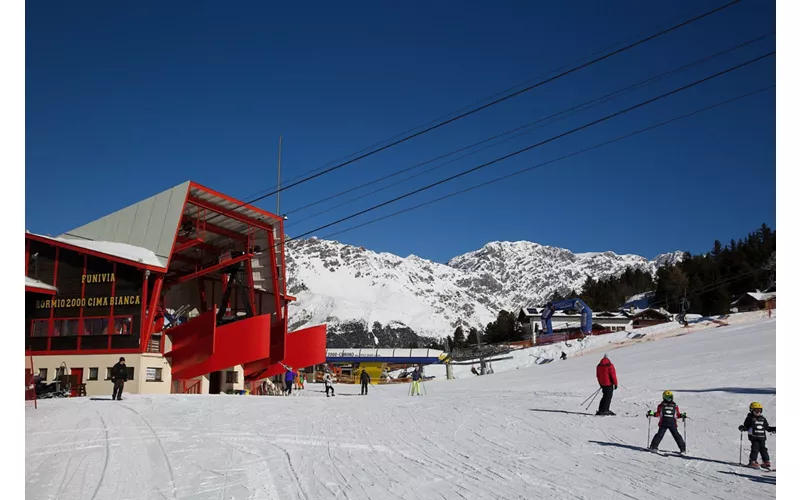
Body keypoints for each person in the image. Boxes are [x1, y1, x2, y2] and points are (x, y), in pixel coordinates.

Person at [739, 402, 776, 469]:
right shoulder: (749, 418)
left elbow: (767, 428)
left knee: (763, 449)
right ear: (751, 410)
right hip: (754, 437)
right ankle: (752, 461)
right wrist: (742, 428)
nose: (758, 412)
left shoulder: (763, 419)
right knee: (755, 449)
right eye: (756, 411)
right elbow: (746, 427)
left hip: (762, 438)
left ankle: (766, 462)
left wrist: (774, 429)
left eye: (759, 411)